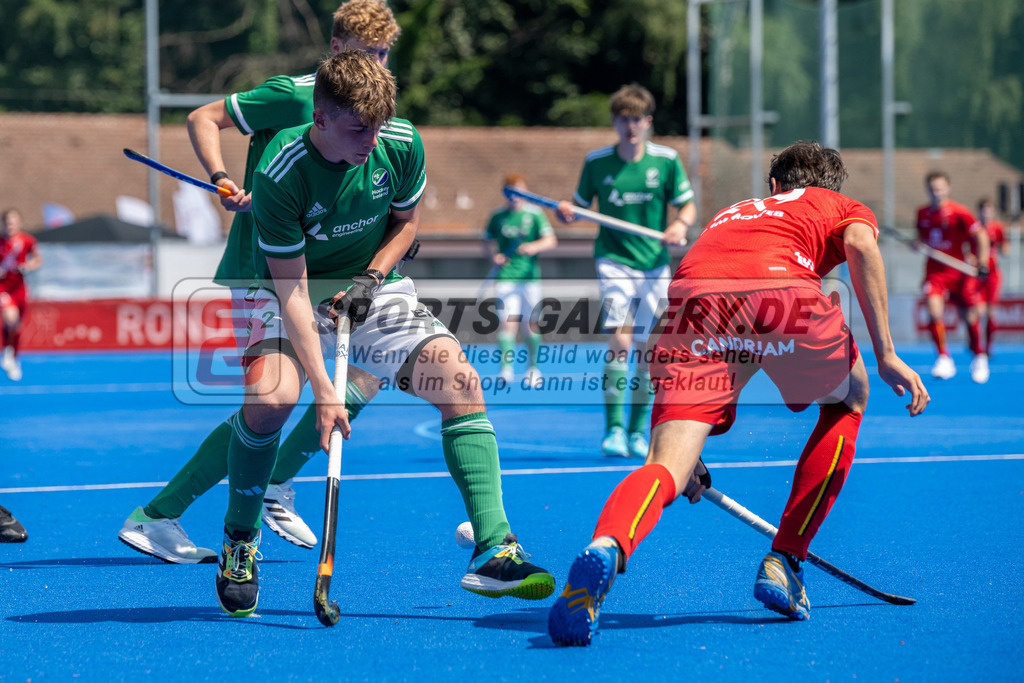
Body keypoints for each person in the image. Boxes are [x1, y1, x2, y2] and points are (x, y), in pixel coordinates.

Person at [210, 50, 554, 617]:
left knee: (459, 378)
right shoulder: (280, 169)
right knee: (272, 399)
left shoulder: (398, 140)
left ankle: (495, 549)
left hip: (370, 280)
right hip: (283, 289)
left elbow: (407, 222)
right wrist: (324, 391)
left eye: (378, 125)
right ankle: (241, 539)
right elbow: (293, 290)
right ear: (319, 118)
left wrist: (371, 276)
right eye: (357, 128)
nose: (372, 140)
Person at [547, 141, 930, 646]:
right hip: (783, 295)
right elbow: (860, 244)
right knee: (849, 398)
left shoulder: (732, 214)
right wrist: (885, 354)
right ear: (829, 187)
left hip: (690, 305)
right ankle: (786, 559)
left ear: (774, 185)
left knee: (664, 466)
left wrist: (694, 449)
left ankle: (605, 548)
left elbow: (737, 340)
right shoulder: (837, 206)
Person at [119, 0, 405, 563]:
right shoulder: (297, 94)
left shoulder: (374, 112)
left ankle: (272, 480)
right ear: (338, 49)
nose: (380, 65)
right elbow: (203, 117)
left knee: (371, 373)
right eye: (369, 53)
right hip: (265, 269)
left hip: (328, 273)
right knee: (271, 399)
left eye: (386, 54)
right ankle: (162, 513)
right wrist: (225, 179)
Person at [556, 83, 696, 460]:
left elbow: (686, 207)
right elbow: (578, 208)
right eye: (623, 120)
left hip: (654, 265)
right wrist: (566, 213)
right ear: (615, 123)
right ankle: (614, 430)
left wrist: (680, 226)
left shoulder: (666, 161)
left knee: (649, 350)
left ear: (648, 122)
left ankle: (637, 431)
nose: (630, 127)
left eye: (636, 120)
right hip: (614, 262)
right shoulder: (597, 162)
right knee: (620, 342)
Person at [483, 173, 558, 386]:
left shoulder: (535, 214)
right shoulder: (497, 216)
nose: (515, 196)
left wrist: (533, 247)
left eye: (519, 191)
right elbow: (487, 242)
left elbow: (551, 240)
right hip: (506, 277)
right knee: (507, 323)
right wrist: (494, 255)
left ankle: (533, 369)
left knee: (530, 324)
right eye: (511, 191)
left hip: (529, 278)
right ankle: (506, 370)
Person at [915, 172, 990, 383]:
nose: (936, 193)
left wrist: (982, 262)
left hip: (960, 273)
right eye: (933, 189)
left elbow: (981, 236)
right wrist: (917, 244)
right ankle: (943, 358)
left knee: (970, 317)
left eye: (940, 188)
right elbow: (921, 238)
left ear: (947, 188)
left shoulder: (960, 213)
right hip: (935, 273)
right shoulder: (922, 213)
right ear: (927, 189)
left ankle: (979, 356)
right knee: (933, 311)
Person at [0, 209, 42, 382]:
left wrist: (29, 266)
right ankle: (7, 352)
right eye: (8, 221)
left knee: (15, 325)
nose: (11, 225)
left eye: (14, 221)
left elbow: (37, 259)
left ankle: (12, 355)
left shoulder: (27, 240)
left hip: (20, 287)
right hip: (3, 287)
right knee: (10, 317)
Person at [976, 198, 1009, 357]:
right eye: (983, 210)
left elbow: (1005, 249)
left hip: (993, 275)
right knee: (978, 311)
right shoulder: (974, 229)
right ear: (979, 212)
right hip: (977, 275)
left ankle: (989, 346)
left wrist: (1004, 247)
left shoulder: (998, 228)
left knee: (990, 313)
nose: (986, 214)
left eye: (989, 210)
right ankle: (977, 344)